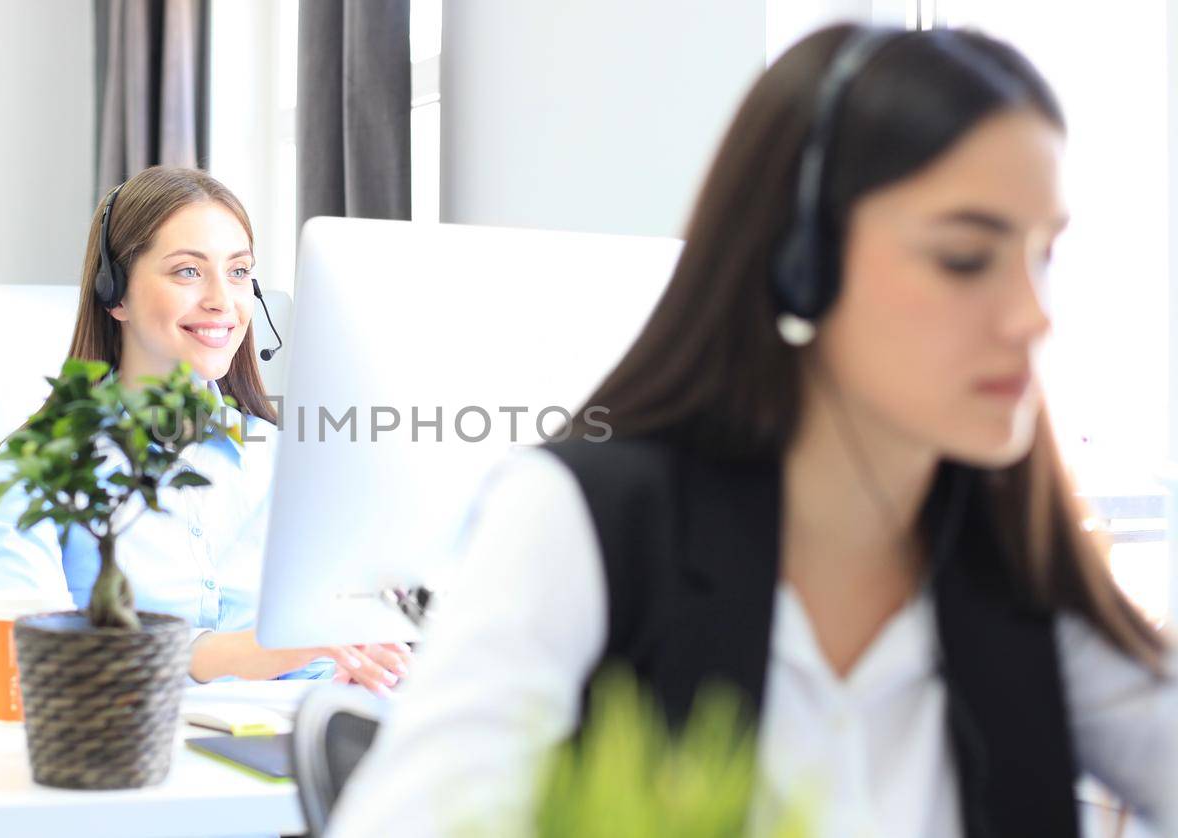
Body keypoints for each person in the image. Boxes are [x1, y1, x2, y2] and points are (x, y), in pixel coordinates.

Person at [330, 25, 1176, 837]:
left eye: (1044, 256)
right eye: (965, 258)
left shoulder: (1008, 551)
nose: (1033, 316)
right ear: (799, 262)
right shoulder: (586, 524)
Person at [0, 166, 408, 693]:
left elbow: (313, 653)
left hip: (280, 750)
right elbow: (29, 666)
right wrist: (237, 652)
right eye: (187, 271)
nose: (222, 301)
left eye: (239, 271)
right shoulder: (39, 464)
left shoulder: (286, 460)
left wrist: (348, 667)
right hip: (123, 751)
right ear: (115, 294)